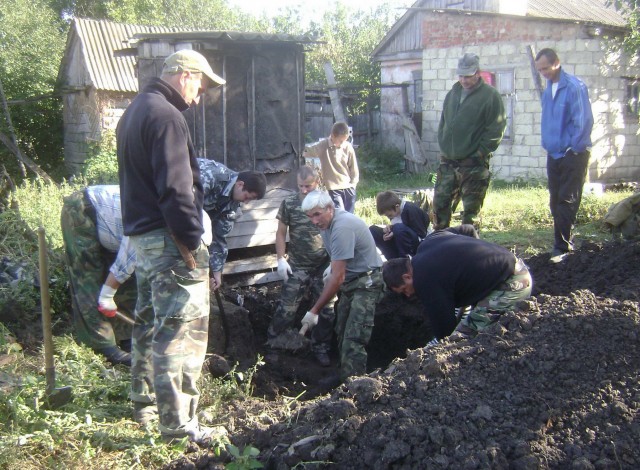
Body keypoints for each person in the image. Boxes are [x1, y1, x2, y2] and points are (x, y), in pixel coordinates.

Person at [116, 49, 225, 444]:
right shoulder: (167, 116)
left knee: (150, 322)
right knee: (181, 332)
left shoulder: (134, 112)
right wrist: (192, 241)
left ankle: (144, 404)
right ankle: (180, 427)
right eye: (202, 83)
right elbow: (177, 190)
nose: (200, 94)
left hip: (144, 240)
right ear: (185, 74)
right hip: (170, 241)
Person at [382, 225, 532, 342]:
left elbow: (444, 329)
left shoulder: (424, 279)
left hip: (513, 284)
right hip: (514, 264)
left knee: (461, 339)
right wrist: (478, 262)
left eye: (404, 290)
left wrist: (437, 350)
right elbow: (468, 229)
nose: (408, 295)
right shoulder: (430, 240)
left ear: (407, 277)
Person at [300, 190, 383, 384]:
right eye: (309, 216)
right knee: (342, 329)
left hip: (366, 282)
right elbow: (339, 261)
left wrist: (314, 310)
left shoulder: (342, 227)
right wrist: (332, 266)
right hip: (351, 281)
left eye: (317, 214)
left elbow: (337, 278)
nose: (313, 220)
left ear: (330, 208)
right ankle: (344, 374)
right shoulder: (326, 224)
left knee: (354, 337)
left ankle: (354, 388)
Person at [60, 185, 136, 366]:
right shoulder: (151, 223)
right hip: (83, 210)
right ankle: (102, 345)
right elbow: (128, 257)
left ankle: (127, 337)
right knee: (88, 279)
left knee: (128, 282)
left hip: (112, 228)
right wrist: (107, 295)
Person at [268, 166, 335, 366]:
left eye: (308, 186)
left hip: (323, 265)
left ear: (318, 183)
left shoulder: (325, 203)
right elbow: (281, 233)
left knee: (327, 310)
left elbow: (335, 231)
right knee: (287, 308)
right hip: (298, 264)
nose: (304, 190)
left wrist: (333, 263)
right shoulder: (289, 203)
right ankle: (275, 343)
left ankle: (320, 348)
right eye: (300, 186)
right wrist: (281, 259)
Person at [434, 52, 507, 230]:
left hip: (473, 164)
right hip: (448, 163)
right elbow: (444, 121)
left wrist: (480, 152)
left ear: (477, 73)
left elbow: (496, 128)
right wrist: (443, 144)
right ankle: (441, 249)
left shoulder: (490, 96)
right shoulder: (453, 93)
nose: (464, 80)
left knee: (470, 215)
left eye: (468, 76)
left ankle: (471, 251)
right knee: (439, 209)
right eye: (461, 75)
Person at [535, 48, 594, 264]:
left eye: (546, 68)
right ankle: (563, 242)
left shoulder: (574, 87)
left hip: (573, 153)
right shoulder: (548, 88)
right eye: (539, 69)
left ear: (557, 63)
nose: (543, 72)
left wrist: (575, 149)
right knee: (554, 201)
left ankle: (561, 248)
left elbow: (584, 120)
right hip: (554, 153)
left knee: (566, 200)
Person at [198, 158, 267, 290]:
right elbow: (182, 206)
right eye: (247, 197)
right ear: (240, 184)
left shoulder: (232, 204)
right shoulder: (211, 176)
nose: (246, 203)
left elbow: (219, 237)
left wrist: (217, 274)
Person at [304, 122, 359, 213]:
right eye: (341, 141)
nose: (343, 143)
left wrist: (353, 184)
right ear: (333, 136)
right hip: (334, 188)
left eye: (345, 140)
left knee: (350, 215)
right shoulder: (323, 145)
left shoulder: (347, 147)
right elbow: (309, 151)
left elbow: (354, 168)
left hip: (348, 187)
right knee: (339, 213)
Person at [369, 190, 429, 260]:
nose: (389, 217)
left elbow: (421, 234)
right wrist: (389, 230)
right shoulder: (395, 212)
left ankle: (405, 261)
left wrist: (395, 231)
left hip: (418, 244)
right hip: (400, 240)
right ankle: (393, 261)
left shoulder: (410, 210)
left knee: (398, 228)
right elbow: (397, 226)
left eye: (390, 215)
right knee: (373, 230)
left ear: (397, 206)